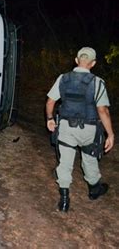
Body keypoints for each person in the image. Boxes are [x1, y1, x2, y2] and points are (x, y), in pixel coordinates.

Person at [45, 47, 115, 212]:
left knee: (65, 163)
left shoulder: (63, 79)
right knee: (89, 158)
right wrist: (110, 134)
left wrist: (49, 119)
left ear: (76, 61)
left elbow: (50, 102)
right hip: (89, 130)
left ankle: (64, 201)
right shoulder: (97, 82)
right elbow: (103, 111)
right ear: (93, 63)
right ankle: (94, 189)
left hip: (66, 128)